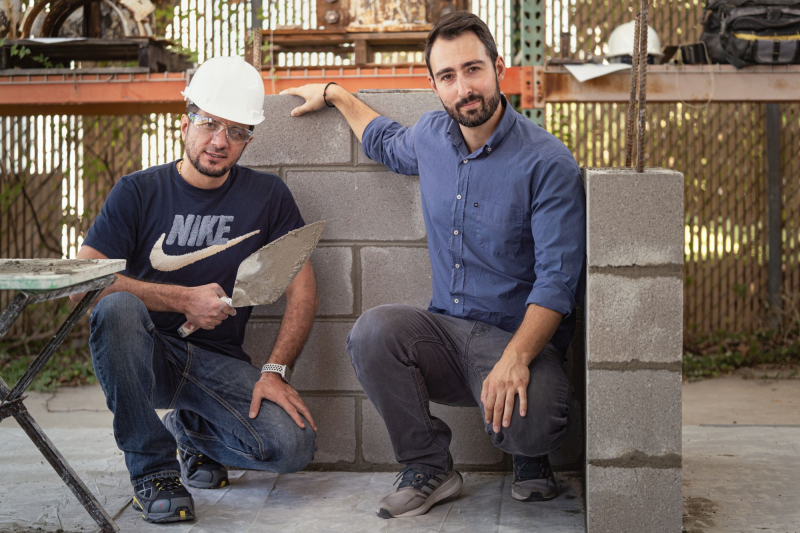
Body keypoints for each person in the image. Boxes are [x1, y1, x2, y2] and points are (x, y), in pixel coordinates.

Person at [281, 11, 585, 519]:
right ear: (435, 86)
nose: (463, 87)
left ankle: (528, 455)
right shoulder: (431, 137)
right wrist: (335, 93)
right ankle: (428, 465)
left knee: (537, 423)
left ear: (498, 67)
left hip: (517, 343)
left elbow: (558, 281)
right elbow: (381, 140)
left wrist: (514, 360)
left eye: (472, 69)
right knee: (373, 331)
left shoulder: (547, 162)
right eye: (447, 76)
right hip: (445, 335)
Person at [70, 56, 319, 524]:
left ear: (249, 137)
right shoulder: (137, 192)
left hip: (217, 364)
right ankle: (154, 472)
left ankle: (192, 431)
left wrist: (275, 370)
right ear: (186, 116)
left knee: (293, 447)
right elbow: (83, 284)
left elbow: (303, 292)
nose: (219, 141)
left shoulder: (268, 197)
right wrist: (182, 299)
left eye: (237, 130)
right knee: (118, 307)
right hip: (146, 355)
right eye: (209, 123)